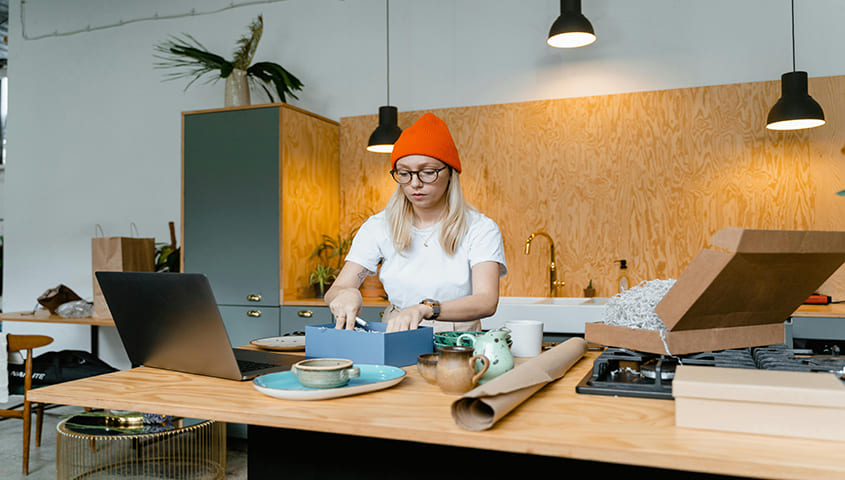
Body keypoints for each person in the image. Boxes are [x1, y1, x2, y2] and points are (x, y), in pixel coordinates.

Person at [325, 113, 507, 333]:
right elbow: (338, 288)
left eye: (428, 172)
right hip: (396, 330)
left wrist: (425, 309)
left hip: (457, 338)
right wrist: (346, 293)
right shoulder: (379, 226)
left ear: (450, 173)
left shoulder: (480, 229)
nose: (415, 183)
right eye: (404, 173)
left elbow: (486, 301)